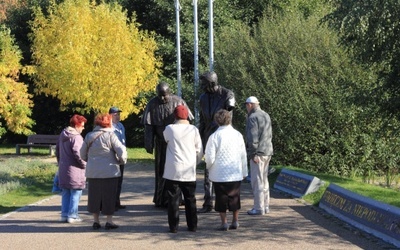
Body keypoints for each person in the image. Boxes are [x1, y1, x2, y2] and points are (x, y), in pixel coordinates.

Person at [141, 81, 193, 208]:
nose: (162, 98)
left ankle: (177, 198)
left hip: (176, 144)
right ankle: (160, 199)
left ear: (169, 92)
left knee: (176, 170)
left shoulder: (178, 101)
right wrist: (149, 143)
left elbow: (188, 119)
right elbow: (148, 125)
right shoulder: (152, 103)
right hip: (160, 143)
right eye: (159, 95)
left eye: (164, 95)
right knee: (161, 171)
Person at [80, 113, 127, 230]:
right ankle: (109, 221)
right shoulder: (111, 135)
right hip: (110, 171)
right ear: (108, 123)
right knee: (109, 196)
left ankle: (96, 221)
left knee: (94, 196)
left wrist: (89, 160)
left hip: (93, 171)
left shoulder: (89, 136)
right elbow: (121, 150)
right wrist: (121, 161)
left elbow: (82, 153)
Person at [198, 71, 235, 213]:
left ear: (212, 83)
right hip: (208, 136)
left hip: (223, 137)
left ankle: (225, 202)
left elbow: (229, 114)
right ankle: (208, 202)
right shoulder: (203, 98)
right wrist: (200, 140)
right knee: (208, 170)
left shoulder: (227, 94)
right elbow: (202, 120)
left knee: (224, 169)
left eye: (204, 83)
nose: (201, 86)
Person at [205, 109, 247, 231]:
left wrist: (209, 166)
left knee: (221, 197)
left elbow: (210, 156)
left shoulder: (214, 137)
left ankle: (224, 222)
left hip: (219, 173)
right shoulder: (238, 135)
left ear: (217, 121)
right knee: (235, 197)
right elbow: (242, 154)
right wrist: (244, 171)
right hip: (234, 171)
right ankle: (235, 220)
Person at [163, 105, 203, 233]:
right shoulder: (193, 130)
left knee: (173, 199)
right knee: (190, 198)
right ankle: (192, 225)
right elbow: (199, 150)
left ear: (175, 116)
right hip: (188, 169)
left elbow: (165, 139)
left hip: (173, 169)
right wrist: (194, 162)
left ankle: (173, 226)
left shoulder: (169, 129)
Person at [56, 114, 87, 223]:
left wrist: (60, 163)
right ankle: (72, 215)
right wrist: (85, 165)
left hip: (64, 168)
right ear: (77, 125)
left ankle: (64, 214)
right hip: (75, 170)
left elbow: (57, 151)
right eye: (82, 126)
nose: (83, 128)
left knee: (66, 192)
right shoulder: (76, 137)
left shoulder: (62, 134)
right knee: (76, 192)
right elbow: (79, 154)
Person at [245, 96, 273, 215]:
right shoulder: (266, 115)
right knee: (264, 180)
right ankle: (266, 205)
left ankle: (258, 207)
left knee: (257, 181)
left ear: (250, 105)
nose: (246, 107)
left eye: (246, 105)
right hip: (267, 151)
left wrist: (252, 153)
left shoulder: (252, 117)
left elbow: (253, 137)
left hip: (258, 152)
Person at [109, 106, 127, 210]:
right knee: (113, 181)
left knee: (119, 181)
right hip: (113, 157)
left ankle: (117, 201)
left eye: (118, 114)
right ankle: (111, 203)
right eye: (115, 114)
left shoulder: (121, 126)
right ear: (110, 115)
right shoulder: (109, 127)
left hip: (121, 157)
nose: (118, 116)